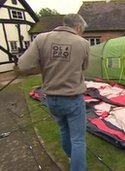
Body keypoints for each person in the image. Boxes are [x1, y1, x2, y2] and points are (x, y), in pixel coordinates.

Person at [17, 14, 89, 171]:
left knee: (64, 130)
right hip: (72, 98)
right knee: (78, 140)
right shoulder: (82, 43)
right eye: (82, 30)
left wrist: (43, 65)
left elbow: (23, 66)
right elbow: (83, 67)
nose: (82, 33)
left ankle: (72, 158)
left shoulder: (41, 38)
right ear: (77, 27)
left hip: (51, 99)